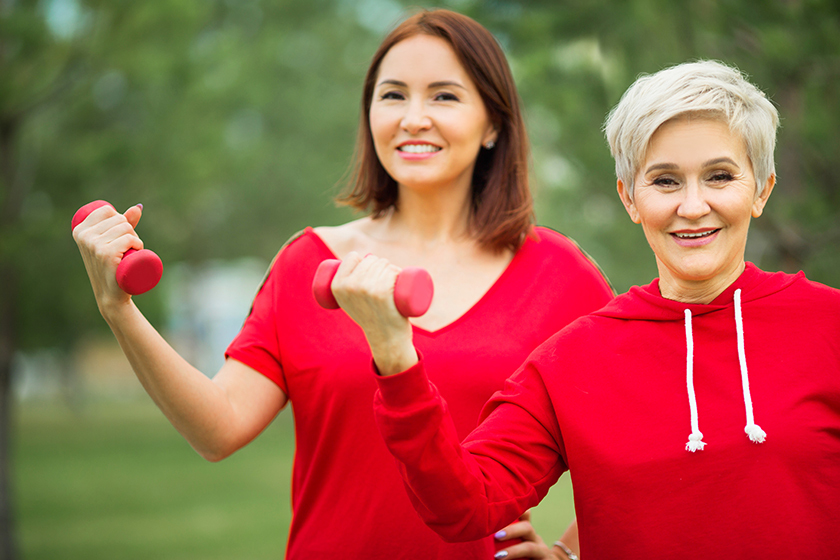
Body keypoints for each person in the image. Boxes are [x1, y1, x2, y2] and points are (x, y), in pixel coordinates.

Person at [71, 9, 614, 559]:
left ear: (494, 123)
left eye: (444, 97)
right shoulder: (308, 262)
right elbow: (219, 427)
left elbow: (634, 446)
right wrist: (119, 310)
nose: (414, 118)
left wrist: (569, 552)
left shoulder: (560, 275)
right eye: (393, 95)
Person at [331, 59, 840, 558]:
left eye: (720, 176)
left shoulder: (828, 327)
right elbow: (464, 506)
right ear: (630, 198)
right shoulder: (571, 361)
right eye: (664, 181)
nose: (691, 206)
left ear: (762, 190)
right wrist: (395, 354)